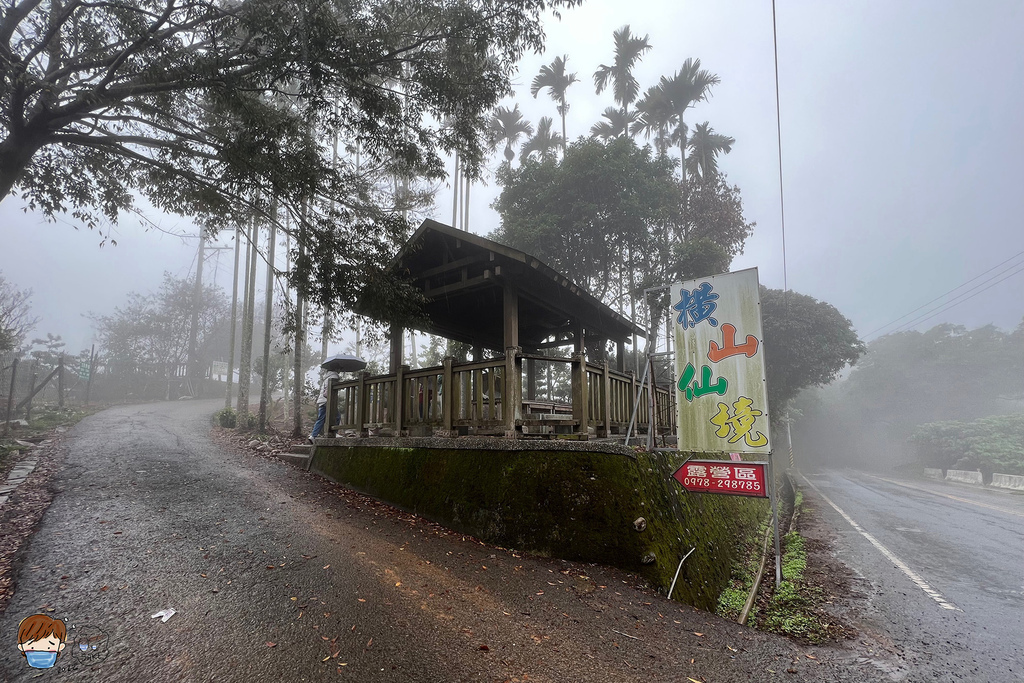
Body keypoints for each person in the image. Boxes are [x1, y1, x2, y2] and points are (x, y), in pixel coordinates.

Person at [309, 368, 341, 442]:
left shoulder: (326, 377)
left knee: (321, 418)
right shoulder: (334, 376)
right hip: (328, 400)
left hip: (321, 400)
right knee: (337, 416)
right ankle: (334, 432)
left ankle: (313, 435)